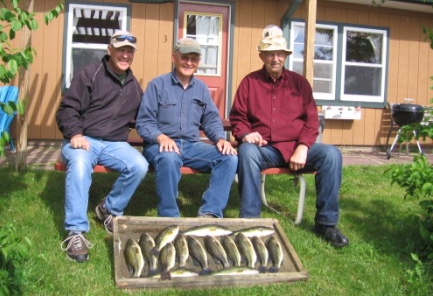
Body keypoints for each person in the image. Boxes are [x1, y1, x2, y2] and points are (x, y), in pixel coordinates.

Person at [229, 25, 349, 248]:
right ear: (261, 56)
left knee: (331, 154)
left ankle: (326, 224)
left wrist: (303, 146)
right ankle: (250, 220)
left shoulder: (300, 84)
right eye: (270, 53)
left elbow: (312, 120)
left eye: (279, 53)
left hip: (297, 146)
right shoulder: (249, 83)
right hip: (265, 149)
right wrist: (246, 134)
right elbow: (237, 117)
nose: (275, 58)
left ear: (285, 55)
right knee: (246, 152)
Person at [56, 30, 149, 262]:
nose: (125, 55)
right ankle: (76, 231)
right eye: (120, 50)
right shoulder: (89, 74)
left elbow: (148, 116)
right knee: (78, 164)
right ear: (110, 50)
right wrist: (75, 133)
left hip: (114, 144)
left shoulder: (134, 87)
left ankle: (108, 209)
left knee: (139, 165)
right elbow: (67, 109)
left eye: (129, 51)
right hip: (83, 139)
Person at [136, 38, 237, 218]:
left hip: (191, 146)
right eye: (184, 57)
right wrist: (161, 137)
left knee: (229, 158)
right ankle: (169, 217)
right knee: (169, 158)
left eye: (194, 59)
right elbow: (144, 123)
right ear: (174, 57)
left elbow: (211, 119)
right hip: (158, 146)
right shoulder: (157, 85)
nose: (189, 62)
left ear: (198, 62)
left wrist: (220, 139)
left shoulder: (201, 89)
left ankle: (210, 212)